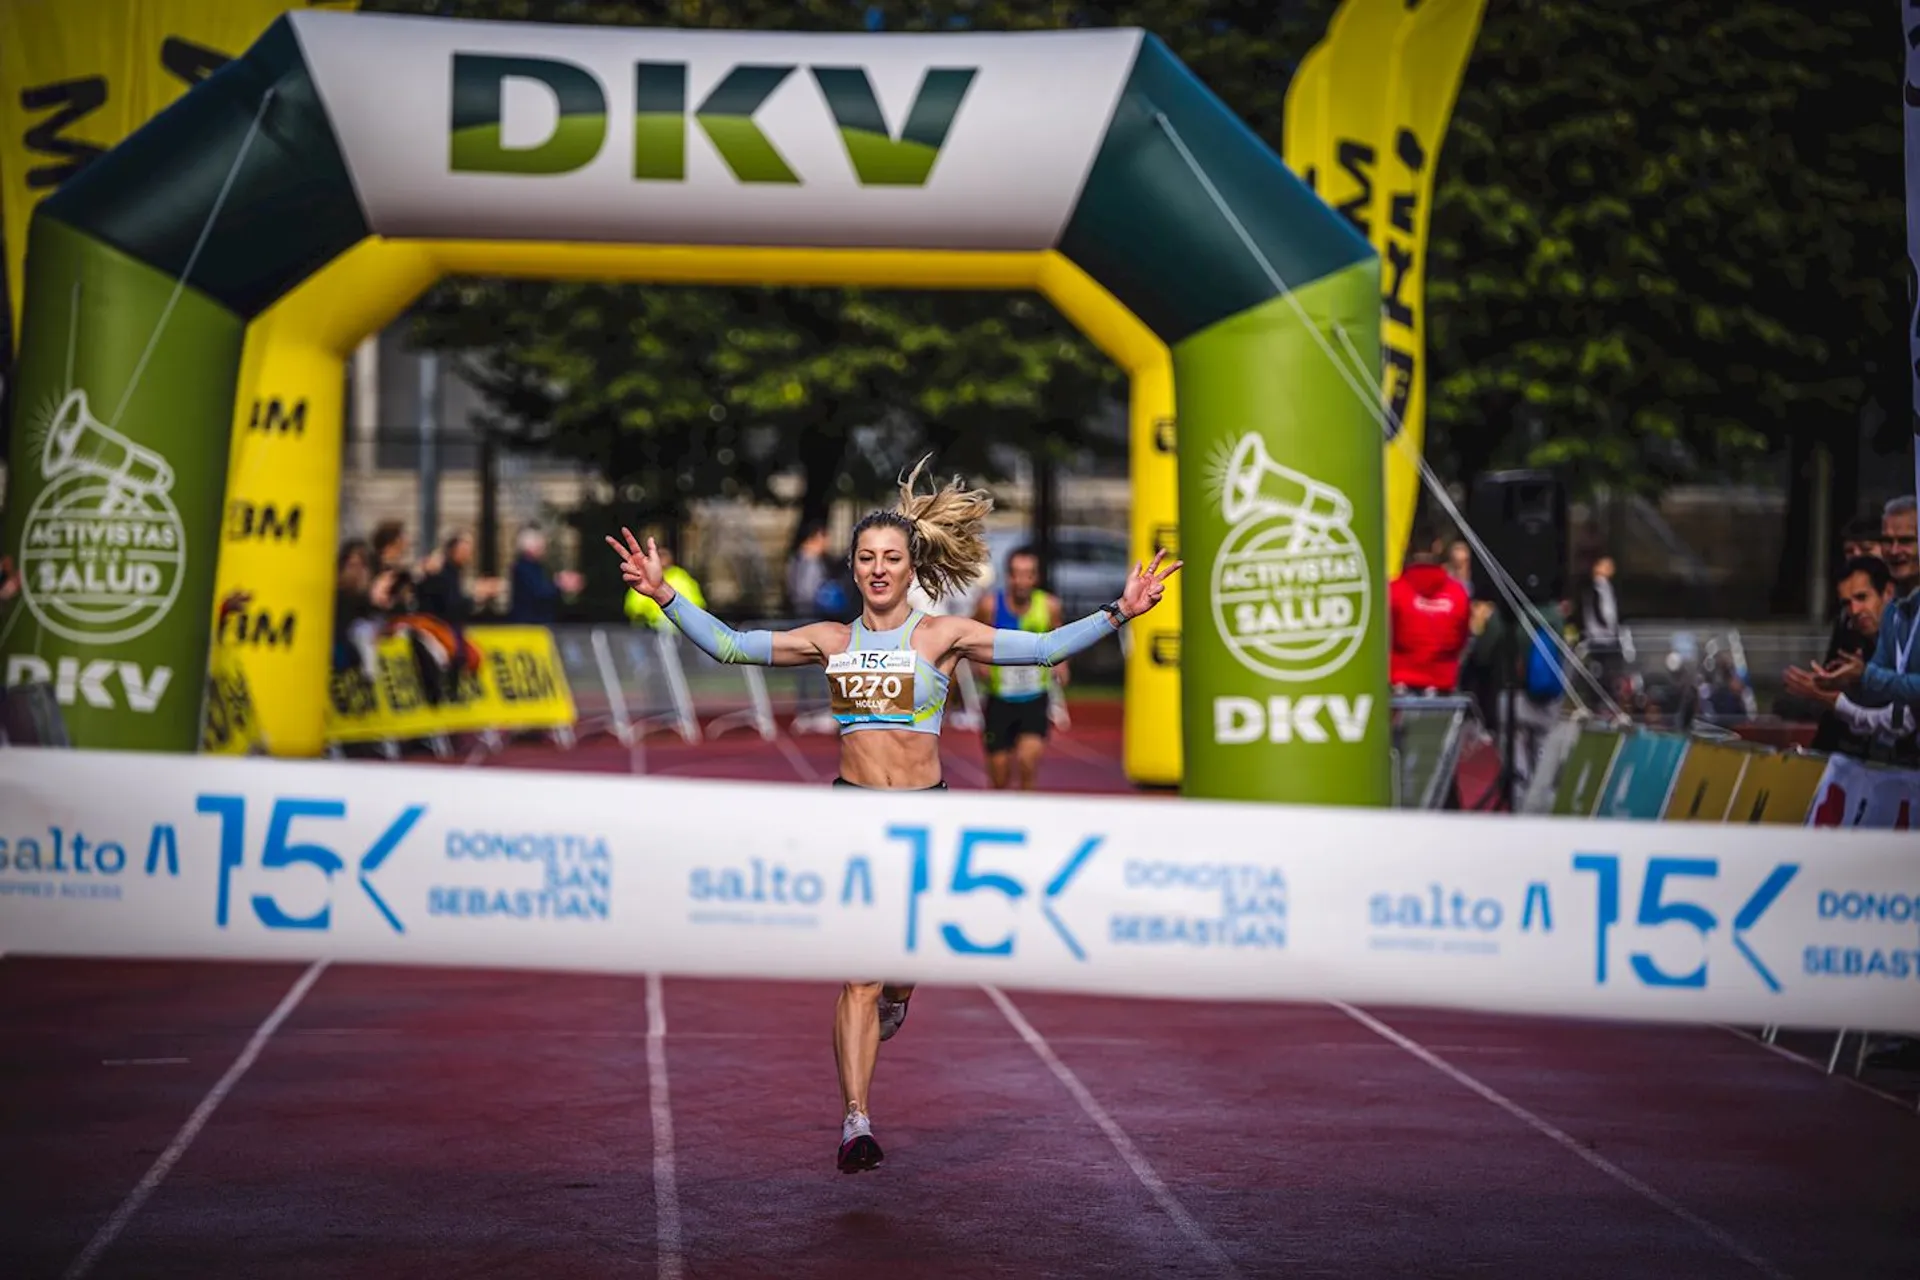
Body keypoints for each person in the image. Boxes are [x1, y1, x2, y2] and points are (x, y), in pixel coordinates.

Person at [605, 458, 1179, 1175]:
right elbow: (730, 645)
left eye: (891, 559)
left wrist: (1120, 611)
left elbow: (1036, 650)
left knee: (899, 976)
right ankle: (856, 1121)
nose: (879, 570)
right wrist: (665, 597)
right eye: (868, 558)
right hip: (853, 818)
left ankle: (899, 996)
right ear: (853, 567)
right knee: (860, 977)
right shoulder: (830, 641)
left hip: (924, 820)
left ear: (912, 570)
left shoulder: (942, 638)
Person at [971, 544, 1066, 789]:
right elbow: (968, 638)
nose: (1022, 580)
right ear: (1008, 575)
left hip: (1034, 698)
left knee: (1027, 762)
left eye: (1028, 574)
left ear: (1036, 577)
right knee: (999, 776)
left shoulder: (1049, 605)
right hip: (999, 699)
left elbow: (1060, 638)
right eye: (1016, 573)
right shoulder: (990, 605)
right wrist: (977, 663)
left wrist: (1062, 664)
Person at [1388, 523, 1471, 694]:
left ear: (1408, 546)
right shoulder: (1458, 593)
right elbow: (1462, 640)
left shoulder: (1393, 591)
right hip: (1444, 684)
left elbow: (1384, 638)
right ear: (1438, 546)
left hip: (1401, 683)